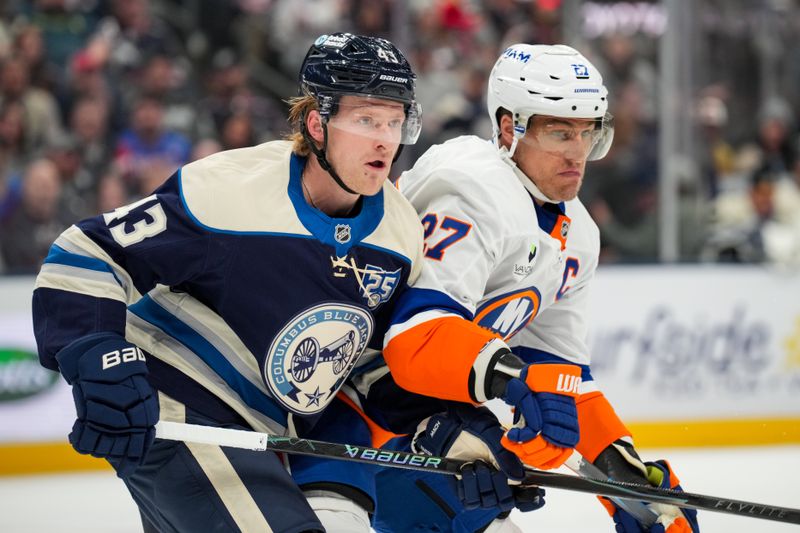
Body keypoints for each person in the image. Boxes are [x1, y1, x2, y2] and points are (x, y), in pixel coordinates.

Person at [31, 32, 433, 532]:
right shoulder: (228, 190)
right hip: (176, 404)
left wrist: (447, 428)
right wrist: (97, 359)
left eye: (395, 121)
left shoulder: (401, 233)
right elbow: (86, 250)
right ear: (317, 123)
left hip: (257, 440)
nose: (385, 139)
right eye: (366, 120)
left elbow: (370, 363)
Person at [367, 44, 701, 532]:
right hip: (348, 402)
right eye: (559, 131)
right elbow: (414, 338)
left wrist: (622, 475)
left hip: (424, 415)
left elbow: (559, 371)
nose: (576, 152)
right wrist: (517, 382)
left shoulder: (579, 233)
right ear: (508, 128)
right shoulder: (470, 184)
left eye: (587, 133)